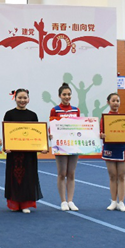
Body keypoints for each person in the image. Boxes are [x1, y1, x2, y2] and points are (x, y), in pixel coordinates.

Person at [3, 88, 44, 213]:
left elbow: (37, 135)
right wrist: (5, 147)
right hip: (14, 153)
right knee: (15, 177)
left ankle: (26, 204)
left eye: (25, 98)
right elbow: (6, 133)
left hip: (29, 154)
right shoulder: (9, 114)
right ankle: (14, 204)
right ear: (15, 99)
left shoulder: (33, 115)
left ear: (28, 99)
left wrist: (41, 147)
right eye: (20, 98)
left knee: (28, 177)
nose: (22, 100)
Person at [48, 82, 81, 211]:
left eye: (69, 94)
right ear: (59, 96)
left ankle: (70, 200)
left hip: (73, 145)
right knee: (62, 173)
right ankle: (63, 201)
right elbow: (52, 126)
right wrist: (51, 135)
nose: (67, 97)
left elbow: (79, 126)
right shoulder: (55, 110)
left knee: (71, 173)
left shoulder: (76, 110)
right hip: (60, 145)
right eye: (64, 94)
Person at [100, 93, 125, 212]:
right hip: (109, 148)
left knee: (121, 176)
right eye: (113, 100)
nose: (116, 103)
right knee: (112, 175)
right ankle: (113, 201)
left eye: (118, 100)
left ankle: (121, 202)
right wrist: (101, 135)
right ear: (108, 102)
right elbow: (100, 132)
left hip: (122, 148)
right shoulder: (104, 118)